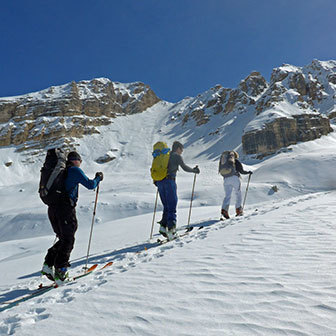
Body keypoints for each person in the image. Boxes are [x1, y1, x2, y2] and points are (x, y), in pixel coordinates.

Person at [41, 151, 103, 283]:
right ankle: (61, 271)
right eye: (79, 161)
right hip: (65, 209)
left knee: (63, 239)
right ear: (76, 161)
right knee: (68, 240)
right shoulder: (74, 170)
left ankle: (48, 264)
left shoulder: (61, 172)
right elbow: (91, 184)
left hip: (52, 209)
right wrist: (98, 178)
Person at [156, 141, 200, 240]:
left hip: (160, 182)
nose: (182, 152)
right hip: (169, 181)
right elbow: (184, 167)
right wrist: (194, 170)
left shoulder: (164, 156)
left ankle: (163, 227)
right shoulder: (176, 155)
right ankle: (171, 231)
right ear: (178, 148)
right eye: (182, 150)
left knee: (166, 206)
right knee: (172, 206)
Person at [220, 151, 252, 219]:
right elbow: (241, 171)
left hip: (226, 179)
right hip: (234, 178)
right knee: (238, 193)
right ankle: (238, 210)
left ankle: (224, 209)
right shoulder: (235, 161)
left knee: (227, 195)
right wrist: (248, 172)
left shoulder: (224, 162)